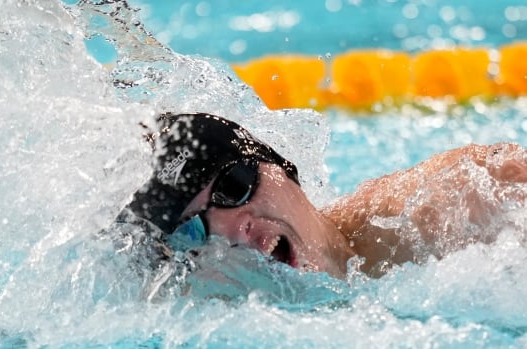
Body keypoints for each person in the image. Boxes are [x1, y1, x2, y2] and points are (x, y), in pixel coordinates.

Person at [124, 112, 527, 278]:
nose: (234, 225)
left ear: (281, 168)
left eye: (233, 187)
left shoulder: (462, 200)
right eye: (192, 232)